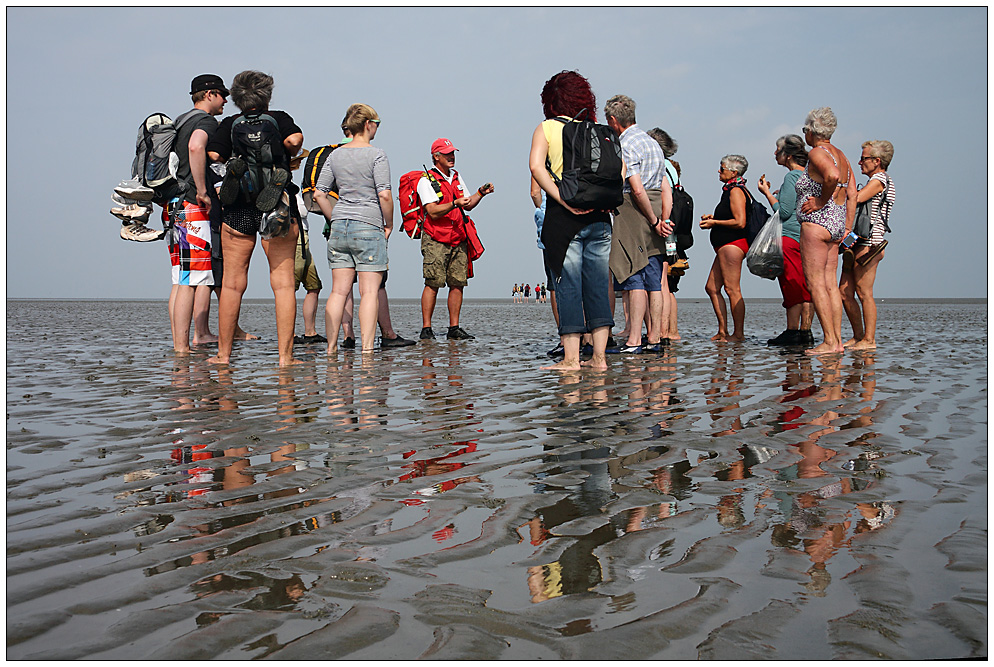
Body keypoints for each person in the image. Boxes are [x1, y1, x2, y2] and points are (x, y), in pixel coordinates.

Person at [206, 70, 304, 367]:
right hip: (278, 205)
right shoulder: (280, 118)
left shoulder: (228, 124)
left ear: (236, 97)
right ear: (267, 95)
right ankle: (285, 359)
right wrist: (285, 151)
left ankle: (223, 356)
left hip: (238, 206)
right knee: (284, 283)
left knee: (233, 284)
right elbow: (295, 140)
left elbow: (212, 155)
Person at [529, 70, 620, 371]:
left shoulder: (547, 128)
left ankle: (571, 359)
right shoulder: (597, 130)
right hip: (601, 218)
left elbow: (536, 168)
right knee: (597, 285)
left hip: (564, 220)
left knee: (567, 286)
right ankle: (600, 358)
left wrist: (562, 198)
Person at [313, 103, 392, 354]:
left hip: (339, 228)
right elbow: (385, 195)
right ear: (368, 125)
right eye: (376, 124)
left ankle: (331, 347)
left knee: (338, 291)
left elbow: (319, 194)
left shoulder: (335, 155)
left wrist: (334, 217)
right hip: (368, 225)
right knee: (369, 291)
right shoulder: (376, 154)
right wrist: (388, 223)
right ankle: (367, 350)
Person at [603, 95, 673, 354]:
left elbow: (636, 187)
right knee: (654, 279)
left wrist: (654, 221)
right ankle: (654, 337)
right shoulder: (652, 143)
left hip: (635, 208)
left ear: (613, 120)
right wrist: (663, 218)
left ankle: (634, 339)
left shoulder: (626, 143)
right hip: (655, 205)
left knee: (634, 275)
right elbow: (666, 187)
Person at [165, 74, 228, 356]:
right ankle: (182, 348)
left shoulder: (180, 120)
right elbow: (196, 146)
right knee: (194, 280)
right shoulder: (204, 122)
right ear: (210, 94)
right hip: (193, 205)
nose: (226, 100)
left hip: (173, 205)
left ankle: (180, 345)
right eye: (222, 94)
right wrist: (202, 190)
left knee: (180, 279)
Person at [417, 138, 494, 341]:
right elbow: (432, 211)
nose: (452, 156)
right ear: (436, 156)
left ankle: (454, 328)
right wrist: (454, 203)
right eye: (447, 153)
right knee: (433, 282)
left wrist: (480, 194)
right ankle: (426, 329)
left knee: (457, 283)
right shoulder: (426, 180)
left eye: (453, 153)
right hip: (435, 238)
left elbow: (467, 204)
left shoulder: (457, 178)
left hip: (458, 237)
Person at [796, 107, 858, 356]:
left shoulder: (817, 153)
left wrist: (821, 202)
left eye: (804, 131)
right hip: (836, 223)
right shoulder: (841, 155)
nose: (804, 135)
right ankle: (837, 341)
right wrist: (847, 227)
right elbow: (852, 193)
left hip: (817, 223)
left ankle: (830, 341)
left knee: (816, 284)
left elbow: (831, 176)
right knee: (830, 284)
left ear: (812, 131)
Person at [757, 134, 815, 347]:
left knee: (791, 285)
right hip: (807, 238)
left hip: (790, 237)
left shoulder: (792, 177)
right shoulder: (811, 175)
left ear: (788, 155)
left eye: (777, 150)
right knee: (807, 286)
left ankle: (792, 331)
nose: (774, 153)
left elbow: (784, 212)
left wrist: (767, 194)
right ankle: (805, 331)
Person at [840, 140, 895, 351]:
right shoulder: (875, 180)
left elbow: (856, 198)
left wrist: (844, 182)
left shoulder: (880, 180)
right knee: (844, 291)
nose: (860, 162)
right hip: (856, 241)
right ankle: (859, 336)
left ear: (877, 161)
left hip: (869, 243)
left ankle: (869, 339)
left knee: (864, 292)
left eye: (863, 159)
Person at [700, 154, 754, 342]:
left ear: (733, 172)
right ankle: (723, 331)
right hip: (724, 245)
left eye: (722, 168)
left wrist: (714, 222)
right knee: (711, 287)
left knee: (732, 289)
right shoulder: (730, 190)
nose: (719, 171)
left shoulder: (736, 191)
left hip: (733, 244)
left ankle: (738, 334)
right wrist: (713, 219)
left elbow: (740, 222)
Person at [647, 127, 684, 340]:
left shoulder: (659, 166)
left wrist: (658, 222)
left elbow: (664, 197)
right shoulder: (671, 167)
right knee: (667, 284)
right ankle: (671, 331)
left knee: (661, 282)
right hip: (672, 228)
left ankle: (660, 331)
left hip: (663, 225)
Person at [289, 150, 327, 346]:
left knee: (314, 286)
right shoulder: (288, 188)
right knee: (290, 287)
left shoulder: (292, 186)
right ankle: (291, 332)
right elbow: (303, 209)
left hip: (303, 240)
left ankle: (309, 332)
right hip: (295, 239)